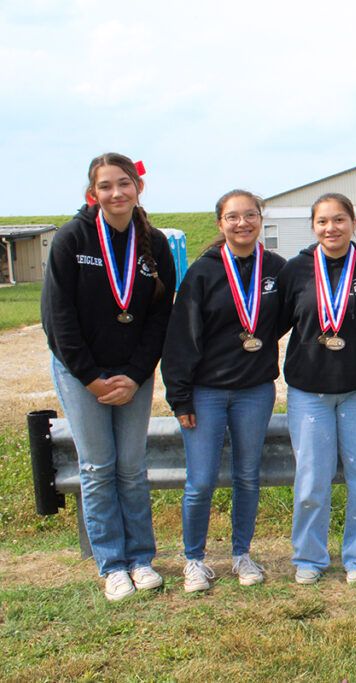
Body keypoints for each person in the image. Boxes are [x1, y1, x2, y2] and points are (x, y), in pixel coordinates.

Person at [41, 153, 175, 601]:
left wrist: (136, 376)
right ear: (92, 193)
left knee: (133, 469)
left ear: (139, 188)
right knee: (98, 467)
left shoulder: (153, 244)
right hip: (83, 374)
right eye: (106, 186)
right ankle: (112, 566)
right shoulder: (70, 239)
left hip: (132, 376)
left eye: (124, 183)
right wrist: (92, 378)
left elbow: (159, 320)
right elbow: (58, 320)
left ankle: (141, 559)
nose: (116, 193)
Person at [161, 190, 286, 592]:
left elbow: (288, 315)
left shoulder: (278, 269)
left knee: (248, 476)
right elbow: (181, 338)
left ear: (260, 219)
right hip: (205, 393)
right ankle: (194, 561)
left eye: (250, 215)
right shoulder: (201, 272)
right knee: (200, 480)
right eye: (233, 217)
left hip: (255, 391)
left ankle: (241, 554)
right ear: (220, 224)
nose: (242, 223)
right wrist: (180, 397)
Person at [277, 193, 356, 586]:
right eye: (323, 221)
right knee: (311, 480)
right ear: (313, 226)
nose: (332, 228)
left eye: (339, 220)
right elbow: (269, 324)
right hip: (309, 392)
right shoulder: (295, 271)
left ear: (353, 222)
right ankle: (309, 557)